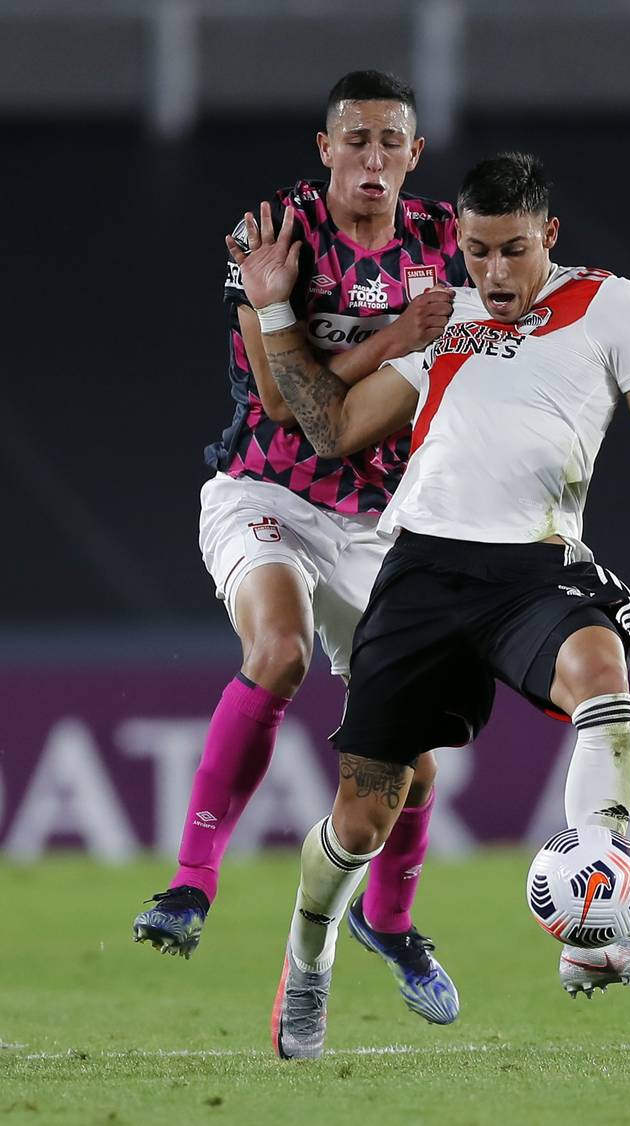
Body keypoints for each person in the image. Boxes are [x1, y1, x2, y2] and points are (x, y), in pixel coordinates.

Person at [227, 151, 630, 1059]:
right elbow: (335, 428)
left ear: (549, 235)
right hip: (424, 570)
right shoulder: (445, 317)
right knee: (361, 820)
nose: (495, 274)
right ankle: (308, 960)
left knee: (600, 669)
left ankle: (592, 939)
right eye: (476, 252)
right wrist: (276, 309)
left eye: (513, 251)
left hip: (535, 567)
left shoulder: (612, 306)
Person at [132, 70, 469, 1026]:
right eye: (353, 140)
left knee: (413, 757)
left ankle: (392, 924)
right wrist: (399, 334)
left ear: (413, 154)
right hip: (265, 490)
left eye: (388, 142)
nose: (371, 159)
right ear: (324, 149)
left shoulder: (448, 242)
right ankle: (191, 884)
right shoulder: (268, 238)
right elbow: (289, 408)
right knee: (275, 653)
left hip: (380, 522)